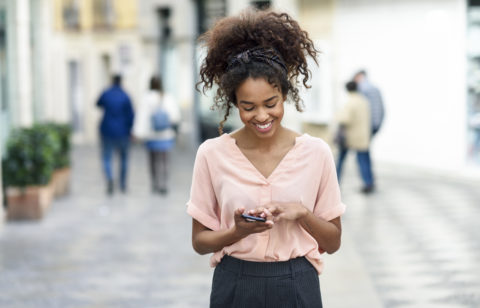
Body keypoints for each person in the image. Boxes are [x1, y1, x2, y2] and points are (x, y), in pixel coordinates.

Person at [187, 9, 346, 308]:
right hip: (234, 281)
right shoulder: (211, 154)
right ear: (234, 103)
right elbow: (199, 242)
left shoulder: (316, 153)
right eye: (248, 107)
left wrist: (302, 214)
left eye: (270, 103)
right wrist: (237, 231)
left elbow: (333, 242)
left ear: (284, 95)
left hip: (299, 282)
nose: (261, 116)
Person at [133, 76, 180, 195]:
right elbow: (174, 116)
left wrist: (137, 133)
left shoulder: (146, 98)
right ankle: (163, 183)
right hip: (165, 135)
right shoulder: (167, 97)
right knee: (164, 160)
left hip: (151, 135)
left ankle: (154, 183)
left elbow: (142, 117)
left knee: (153, 160)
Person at [96, 74, 134, 195]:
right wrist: (130, 129)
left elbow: (97, 103)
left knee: (107, 157)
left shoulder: (106, 93)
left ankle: (110, 178)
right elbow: (131, 115)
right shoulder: (125, 95)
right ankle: (122, 184)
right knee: (123, 158)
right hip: (123, 131)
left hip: (107, 130)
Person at [335, 81, 373, 192]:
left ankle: (335, 182)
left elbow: (345, 119)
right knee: (364, 161)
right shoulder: (364, 101)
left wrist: (336, 115)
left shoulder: (350, 102)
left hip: (350, 137)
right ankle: (368, 183)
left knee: (340, 160)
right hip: (363, 136)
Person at [353, 70, 385, 193]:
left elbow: (360, 111)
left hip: (365, 128)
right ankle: (370, 181)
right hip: (374, 126)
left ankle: (368, 183)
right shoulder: (375, 88)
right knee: (366, 154)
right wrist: (377, 126)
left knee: (362, 155)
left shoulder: (362, 89)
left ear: (360, 76)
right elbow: (382, 109)